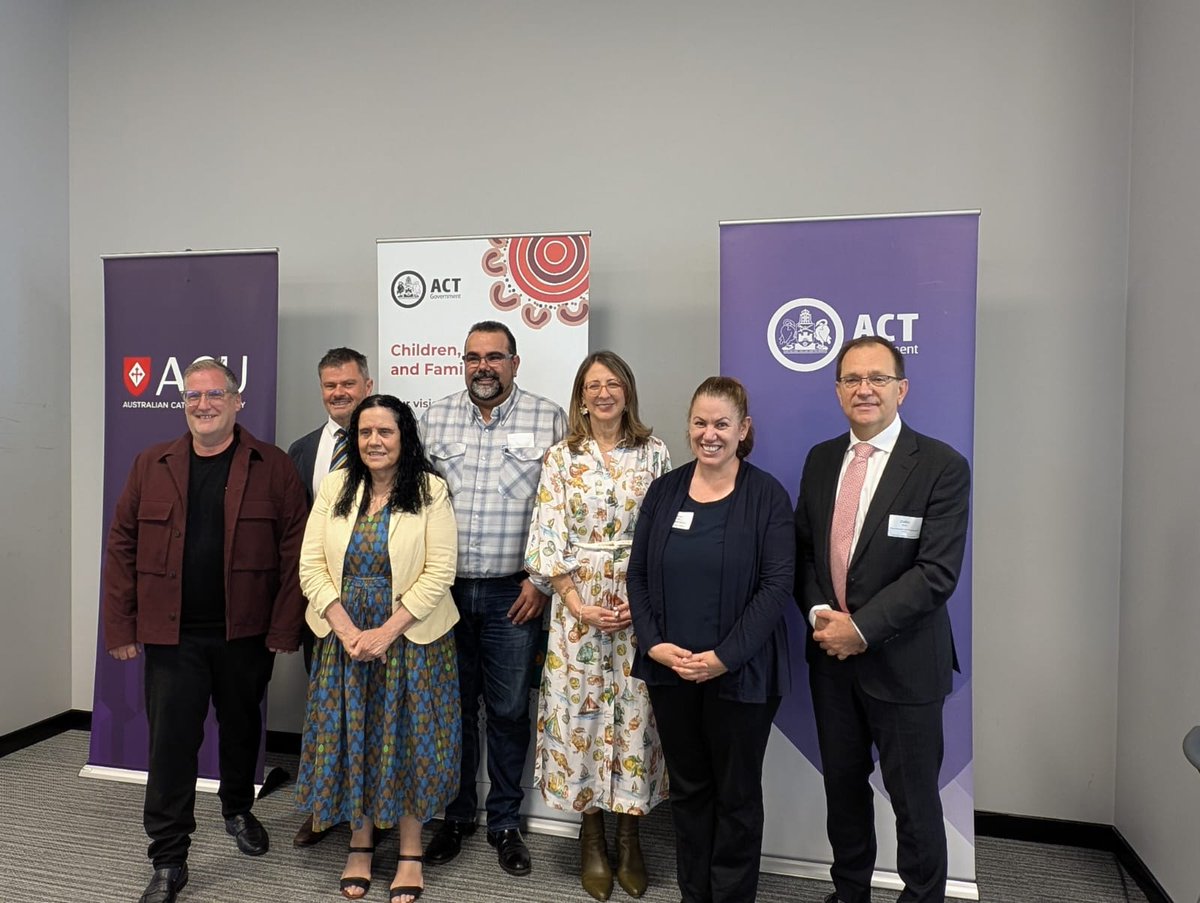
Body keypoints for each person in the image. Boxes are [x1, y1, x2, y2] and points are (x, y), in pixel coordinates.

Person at [103, 358, 308, 903]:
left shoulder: (274, 466)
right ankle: (169, 858)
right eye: (193, 397)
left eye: (215, 394)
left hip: (246, 634)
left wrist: (285, 625)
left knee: (242, 731)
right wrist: (121, 624)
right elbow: (121, 545)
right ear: (184, 405)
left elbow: (297, 553)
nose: (204, 405)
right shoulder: (152, 463)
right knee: (171, 747)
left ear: (237, 401)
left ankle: (238, 808)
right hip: (173, 638)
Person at [793, 337, 970, 903]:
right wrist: (822, 614)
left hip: (906, 664)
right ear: (838, 390)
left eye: (877, 378)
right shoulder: (822, 459)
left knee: (915, 802)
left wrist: (860, 629)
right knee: (843, 794)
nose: (863, 389)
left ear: (902, 388)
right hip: (831, 666)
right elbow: (805, 553)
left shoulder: (941, 465)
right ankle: (850, 894)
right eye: (851, 379)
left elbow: (936, 573)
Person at [627, 376, 794, 903]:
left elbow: (776, 585)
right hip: (671, 672)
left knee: (737, 795)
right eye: (700, 422)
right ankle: (694, 893)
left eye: (722, 424)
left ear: (743, 429)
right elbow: (637, 576)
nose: (709, 434)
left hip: (741, 675)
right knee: (690, 791)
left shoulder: (766, 495)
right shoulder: (666, 490)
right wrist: (653, 643)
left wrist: (724, 657)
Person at [296, 394, 461, 903]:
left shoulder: (430, 490)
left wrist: (386, 632)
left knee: (409, 739)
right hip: (343, 638)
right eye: (364, 433)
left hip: (412, 640)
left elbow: (440, 571)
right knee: (354, 736)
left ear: (403, 436)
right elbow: (310, 568)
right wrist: (349, 633)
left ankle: (410, 850)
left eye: (385, 432)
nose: (374, 441)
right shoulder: (336, 487)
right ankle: (361, 842)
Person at [419, 320, 567, 877]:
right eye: (473, 357)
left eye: (495, 357)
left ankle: (505, 819)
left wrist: (542, 582)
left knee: (507, 710)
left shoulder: (549, 418)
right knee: (453, 711)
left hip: (515, 591)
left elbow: (560, 509)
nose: (484, 366)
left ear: (515, 362)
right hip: (445, 592)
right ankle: (455, 817)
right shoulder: (434, 418)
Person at [524, 351, 671, 901]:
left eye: (613, 384)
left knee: (637, 715)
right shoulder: (562, 458)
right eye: (593, 385)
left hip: (638, 605)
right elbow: (546, 536)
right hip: (577, 608)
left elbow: (664, 534)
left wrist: (645, 597)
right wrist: (575, 601)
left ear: (627, 392)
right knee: (579, 716)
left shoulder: (654, 453)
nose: (603, 393)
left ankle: (630, 837)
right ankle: (591, 837)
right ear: (580, 397)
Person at [286, 346, 374, 848]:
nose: (339, 394)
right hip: (323, 606)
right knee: (325, 713)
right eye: (330, 386)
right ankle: (326, 806)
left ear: (367, 384)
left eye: (348, 384)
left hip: (381, 611)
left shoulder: (395, 441)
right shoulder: (302, 450)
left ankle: (375, 813)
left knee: (376, 715)